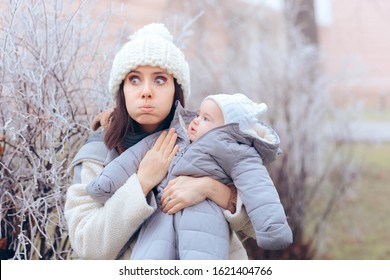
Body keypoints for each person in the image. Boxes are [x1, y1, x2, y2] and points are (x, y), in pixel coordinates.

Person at [64, 23, 256, 260]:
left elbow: (263, 221)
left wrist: (211, 189)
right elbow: (87, 245)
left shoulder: (206, 138)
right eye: (134, 79)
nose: (146, 91)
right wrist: (141, 182)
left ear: (176, 89)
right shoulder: (98, 153)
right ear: (121, 89)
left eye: (159, 80)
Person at [87, 93, 293, 260]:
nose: (195, 121)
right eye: (198, 114)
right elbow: (133, 157)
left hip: (203, 217)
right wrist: (106, 183)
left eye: (206, 119)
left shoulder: (236, 151)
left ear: (227, 128)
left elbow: (258, 187)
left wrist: (272, 228)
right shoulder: (174, 136)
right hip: (161, 215)